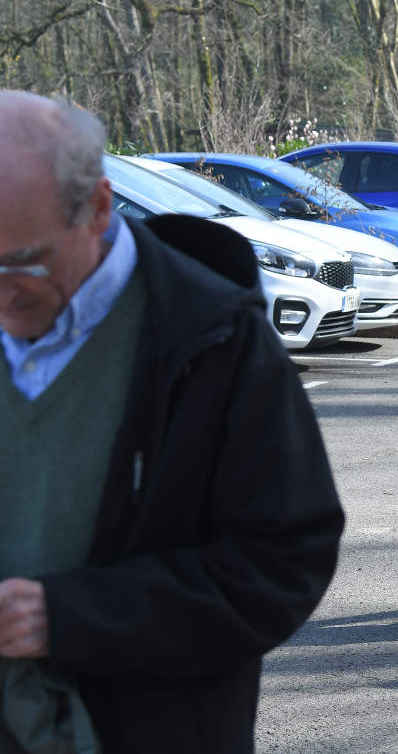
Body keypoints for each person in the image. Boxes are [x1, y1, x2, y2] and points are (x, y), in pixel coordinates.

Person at [0, 91, 344, 752]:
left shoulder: (214, 338)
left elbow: (283, 561)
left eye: (24, 259)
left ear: (98, 209)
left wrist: (74, 616)